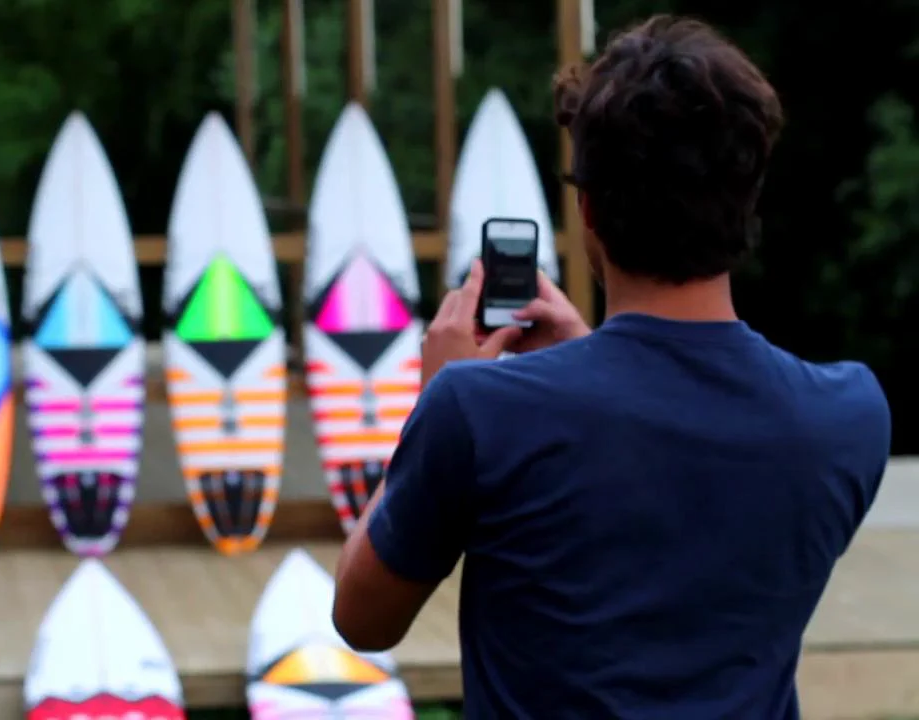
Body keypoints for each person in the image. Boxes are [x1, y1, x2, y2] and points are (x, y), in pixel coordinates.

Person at [331, 15, 891, 719]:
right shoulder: (849, 416)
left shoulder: (474, 411)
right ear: (748, 199)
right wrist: (590, 360)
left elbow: (362, 620)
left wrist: (434, 399)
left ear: (588, 209)